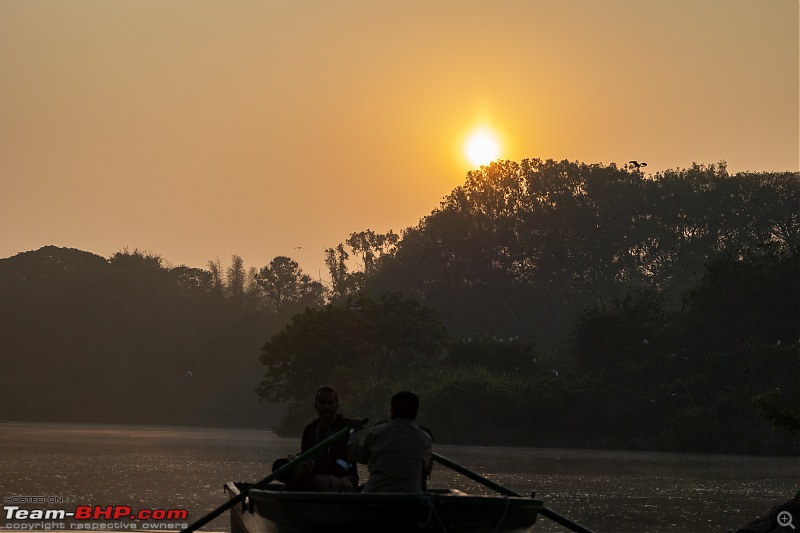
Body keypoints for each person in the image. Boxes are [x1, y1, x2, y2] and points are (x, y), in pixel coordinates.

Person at [350, 391, 433, 493]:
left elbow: (361, 457)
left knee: (362, 488)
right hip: (410, 499)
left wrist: (353, 433)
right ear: (416, 413)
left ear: (391, 410)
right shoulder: (425, 438)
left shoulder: (376, 432)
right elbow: (426, 468)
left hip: (374, 497)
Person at [282, 385, 358, 492]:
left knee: (319, 481)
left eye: (330, 403)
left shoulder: (346, 429)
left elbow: (343, 466)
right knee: (290, 483)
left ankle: (330, 508)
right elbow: (305, 457)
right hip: (315, 474)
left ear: (337, 406)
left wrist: (314, 471)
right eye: (322, 403)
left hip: (345, 478)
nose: (326, 406)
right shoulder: (309, 430)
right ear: (316, 406)